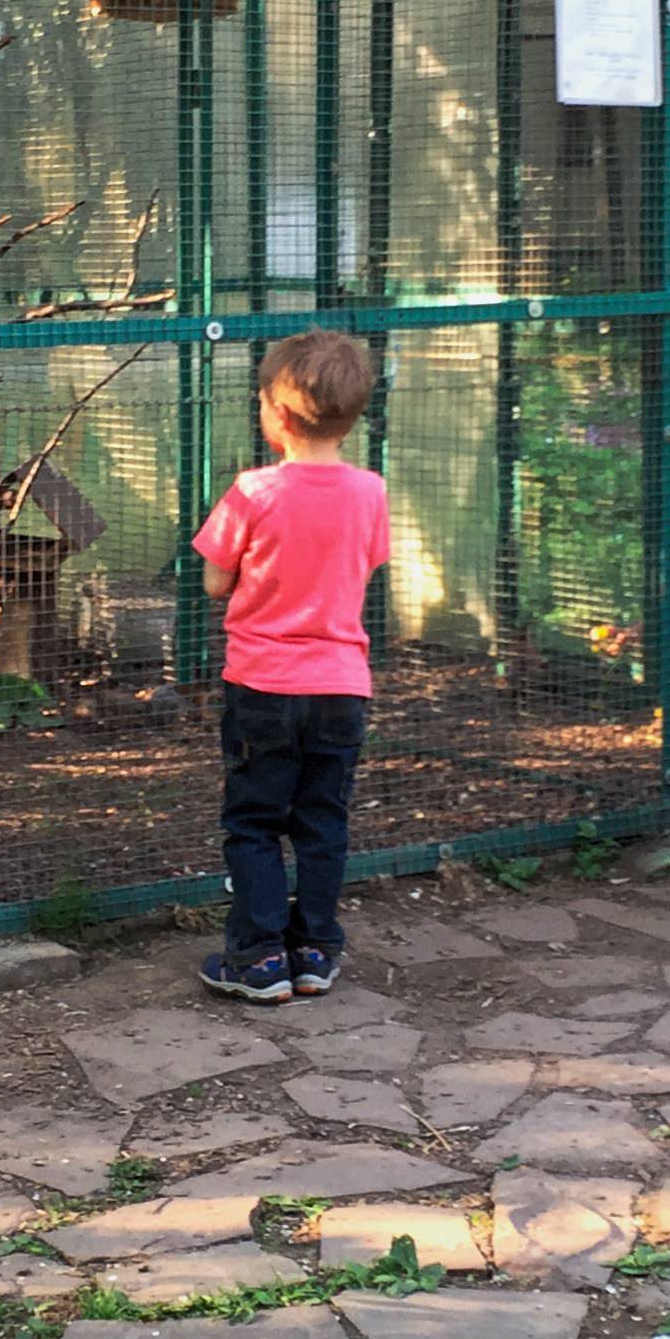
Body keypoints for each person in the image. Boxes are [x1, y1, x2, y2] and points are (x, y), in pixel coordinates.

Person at [192, 330, 392, 1005]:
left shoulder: (252, 491)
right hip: (341, 686)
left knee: (253, 819)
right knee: (322, 819)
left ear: (276, 413)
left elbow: (216, 583)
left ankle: (256, 957)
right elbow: (362, 565)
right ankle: (314, 950)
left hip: (264, 683)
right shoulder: (370, 491)